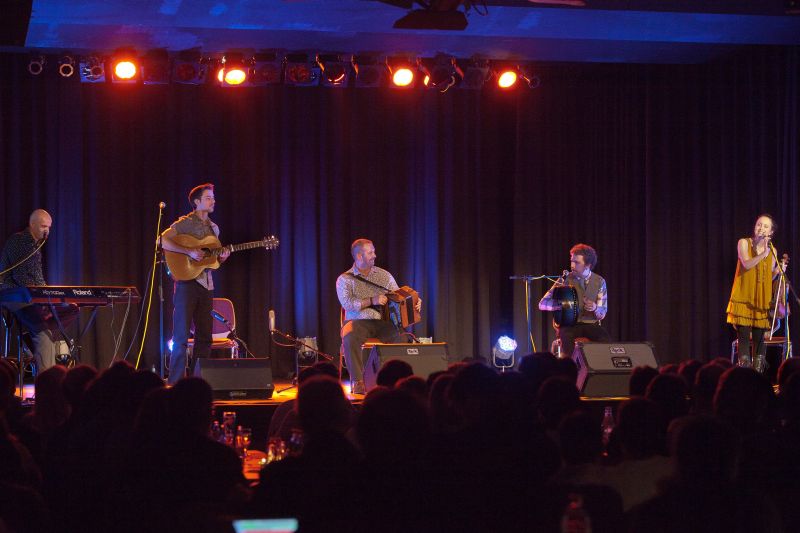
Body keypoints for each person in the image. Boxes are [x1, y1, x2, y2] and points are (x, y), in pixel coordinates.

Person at [161, 184, 230, 385]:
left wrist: (223, 257)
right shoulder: (185, 223)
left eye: (213, 198)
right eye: (208, 198)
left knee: (204, 336)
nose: (213, 201)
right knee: (180, 336)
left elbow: (212, 260)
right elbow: (162, 241)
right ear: (197, 202)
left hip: (206, 284)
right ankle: (175, 382)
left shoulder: (214, 228)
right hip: (185, 283)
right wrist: (188, 252)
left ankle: (198, 382)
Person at [336, 239, 421, 394]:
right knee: (350, 336)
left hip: (383, 322)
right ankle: (358, 382)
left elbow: (398, 296)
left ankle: (397, 380)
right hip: (358, 321)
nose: (374, 255)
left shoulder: (384, 275)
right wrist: (372, 300)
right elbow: (347, 304)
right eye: (370, 252)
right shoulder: (344, 279)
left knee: (401, 336)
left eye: (374, 251)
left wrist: (414, 301)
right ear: (359, 256)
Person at [0, 209, 74, 372]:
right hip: (14, 295)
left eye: (49, 227)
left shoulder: (35, 245)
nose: (47, 230)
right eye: (43, 226)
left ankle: (32, 336)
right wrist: (43, 302)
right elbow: (21, 279)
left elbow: (37, 279)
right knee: (44, 334)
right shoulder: (19, 241)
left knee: (71, 309)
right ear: (32, 224)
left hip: (29, 295)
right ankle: (48, 386)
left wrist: (50, 299)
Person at [726, 214, 786, 372]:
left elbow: (768, 276)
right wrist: (762, 254)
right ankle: (744, 379)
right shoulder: (744, 243)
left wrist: (778, 272)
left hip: (761, 301)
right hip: (744, 299)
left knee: (760, 346)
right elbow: (746, 264)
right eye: (759, 225)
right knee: (744, 341)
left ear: (771, 232)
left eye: (766, 226)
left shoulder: (772, 250)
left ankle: (757, 380)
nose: (762, 228)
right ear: (755, 227)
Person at [539, 243, 609, 358]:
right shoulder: (565, 280)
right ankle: (568, 370)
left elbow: (602, 313)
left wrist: (595, 307)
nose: (572, 265)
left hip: (590, 325)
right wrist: (559, 305)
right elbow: (542, 304)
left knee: (605, 339)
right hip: (569, 325)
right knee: (566, 338)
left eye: (576, 262)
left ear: (587, 265)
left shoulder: (600, 281)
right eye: (571, 261)